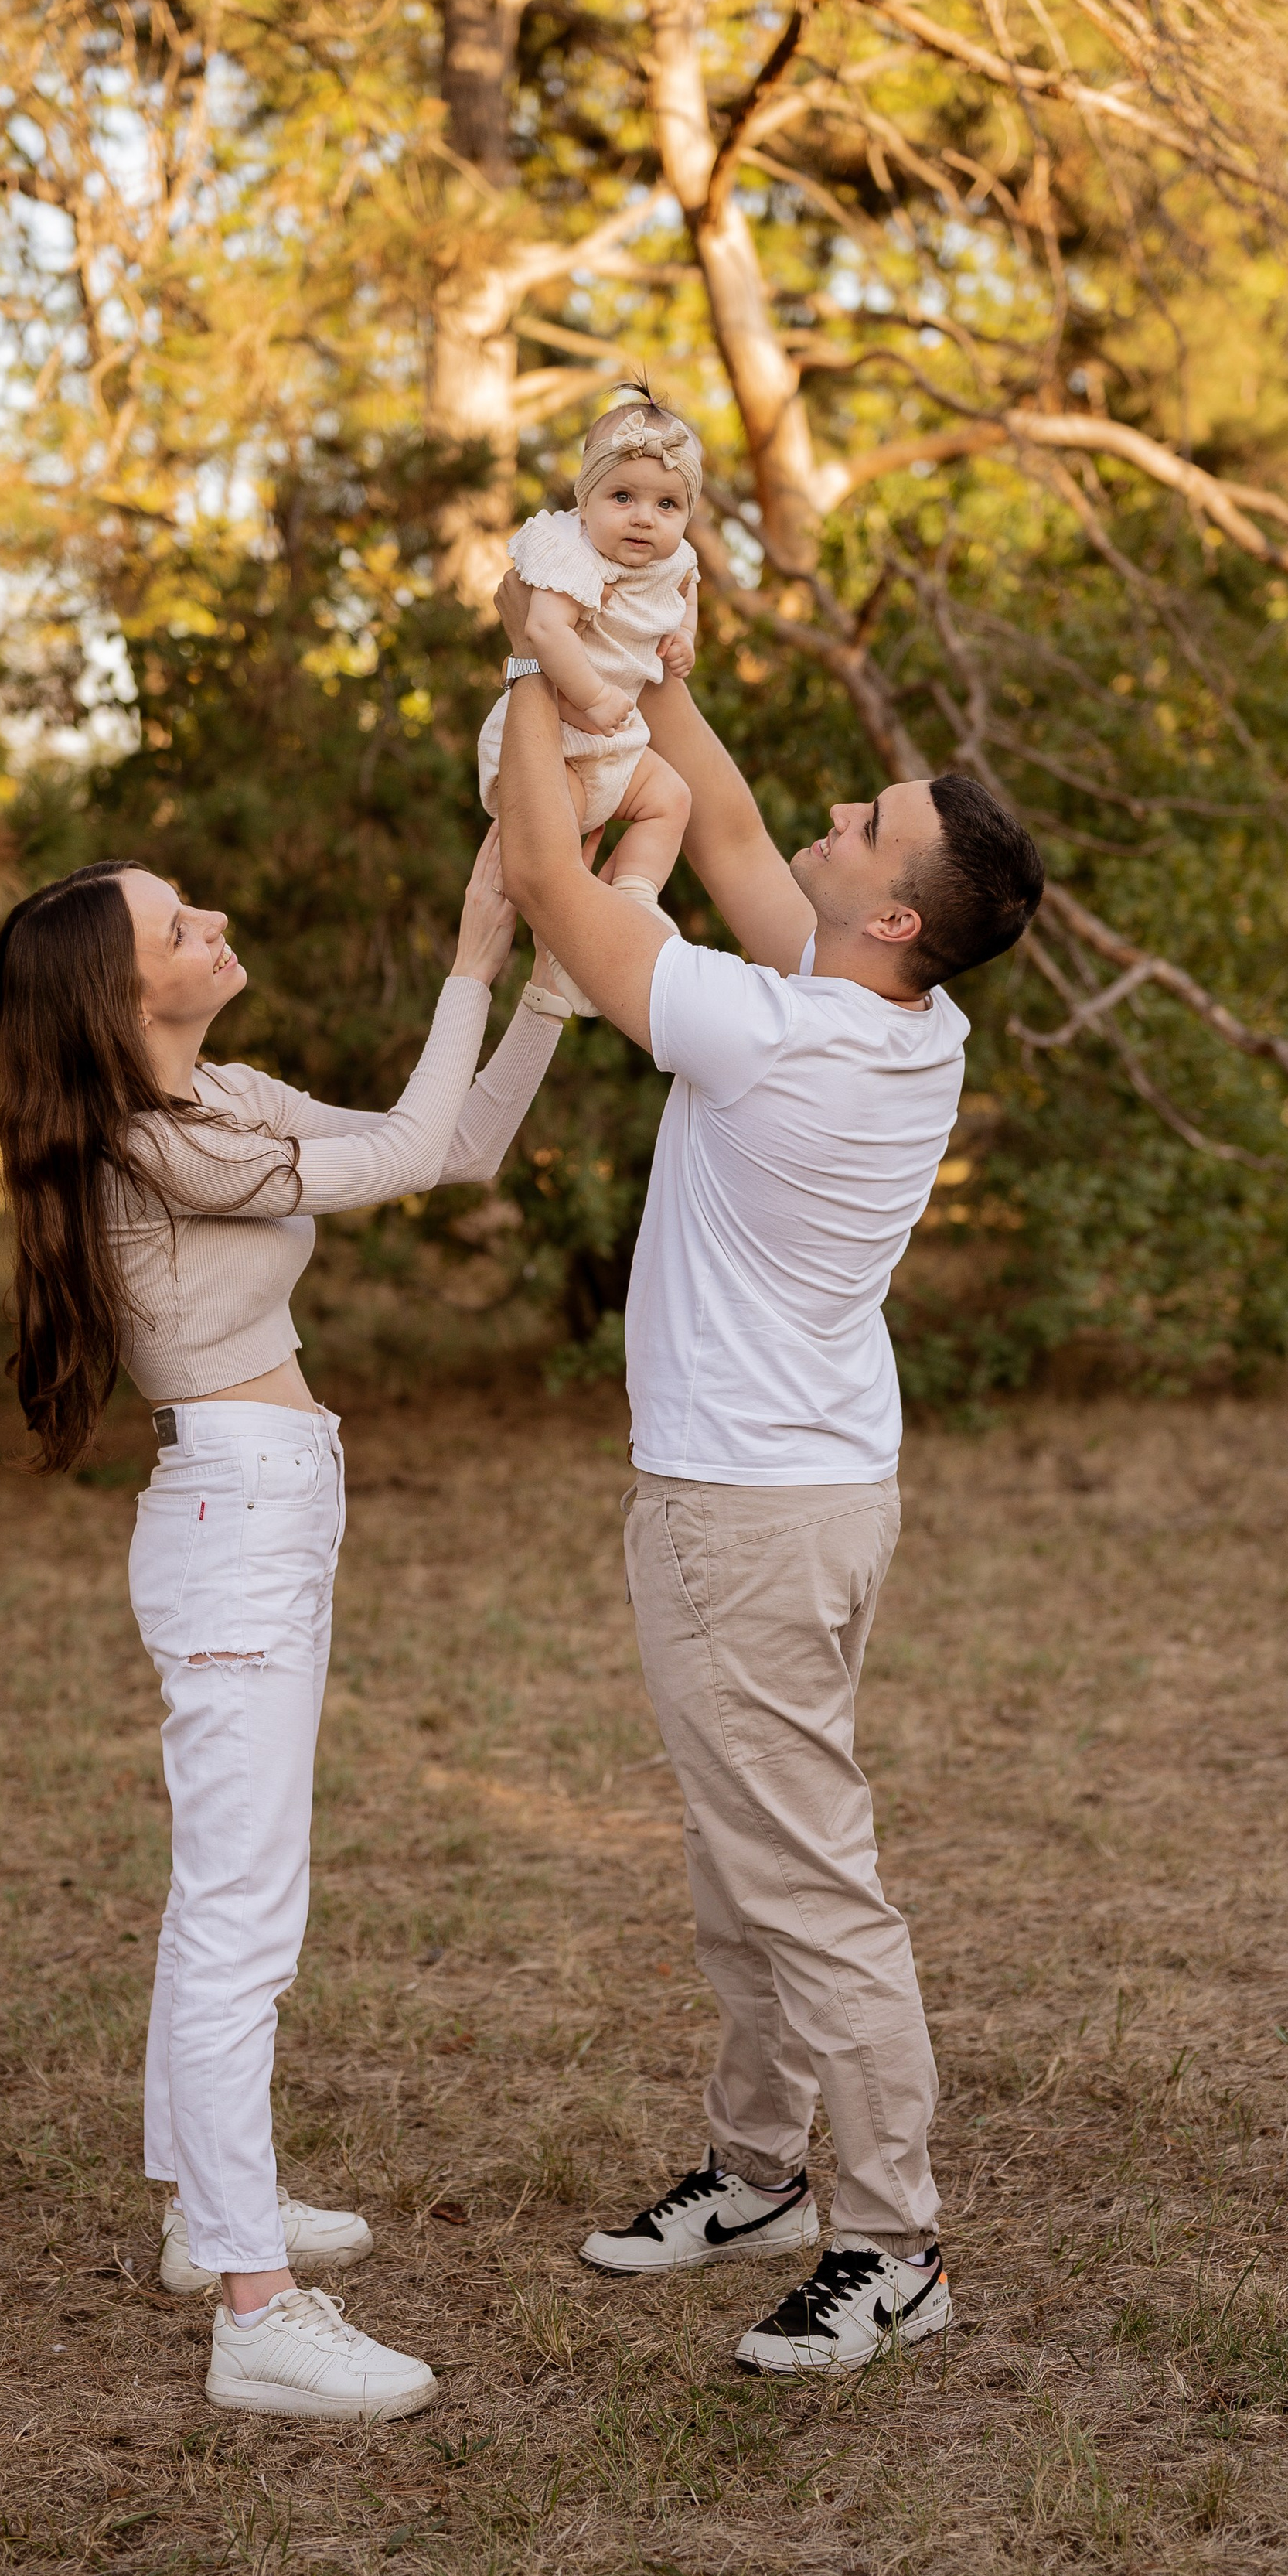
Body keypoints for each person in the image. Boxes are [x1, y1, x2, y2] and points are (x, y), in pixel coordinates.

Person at [492, 578, 1045, 2378]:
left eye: (866, 821)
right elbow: (725, 829)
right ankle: (756, 2172)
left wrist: (533, 666)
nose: (832, 808)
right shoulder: (898, 1013)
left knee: (807, 1881)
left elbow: (551, 884)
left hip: (744, 1514)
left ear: (889, 912)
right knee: (750, 1854)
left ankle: (892, 2245)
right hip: (805, 1494)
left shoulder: (779, 1032)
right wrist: (648, 668)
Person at [0, 835, 567, 2421]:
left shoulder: (219, 1098)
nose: (215, 918)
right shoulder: (147, 1146)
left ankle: (207, 2213)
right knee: (239, 1915)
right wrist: (474, 950)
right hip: (231, 1520)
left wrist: (547, 991)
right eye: (178, 923)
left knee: (238, 1901)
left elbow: (449, 1147)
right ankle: (254, 2307)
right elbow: (404, 1156)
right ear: (120, 998)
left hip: (269, 1502)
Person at [476, 394, 702, 1013]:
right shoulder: (569, 553)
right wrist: (595, 695)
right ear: (585, 497)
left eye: (667, 505)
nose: (644, 519)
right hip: (551, 740)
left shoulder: (675, 558)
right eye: (622, 497)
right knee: (559, 851)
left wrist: (684, 637)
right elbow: (543, 630)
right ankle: (567, 949)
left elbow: (687, 591)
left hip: (616, 743)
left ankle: (635, 894)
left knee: (671, 799)